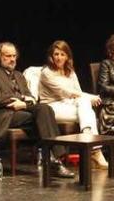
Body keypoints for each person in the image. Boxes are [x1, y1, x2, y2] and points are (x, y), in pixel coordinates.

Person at [0, 42, 73, 177]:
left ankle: (53, 158)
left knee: (45, 109)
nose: (12, 59)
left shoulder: (18, 75)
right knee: (43, 115)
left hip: (20, 112)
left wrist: (23, 102)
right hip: (2, 116)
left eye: (14, 56)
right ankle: (56, 159)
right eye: (8, 56)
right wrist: (20, 100)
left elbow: (30, 96)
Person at [38, 40, 107, 169]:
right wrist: (90, 97)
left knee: (84, 104)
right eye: (56, 54)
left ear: (67, 57)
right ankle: (95, 150)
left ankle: (88, 139)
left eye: (62, 54)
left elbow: (78, 93)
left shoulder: (70, 72)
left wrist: (85, 98)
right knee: (87, 108)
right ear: (51, 56)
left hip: (69, 104)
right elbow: (67, 92)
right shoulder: (46, 73)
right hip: (51, 107)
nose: (59, 57)